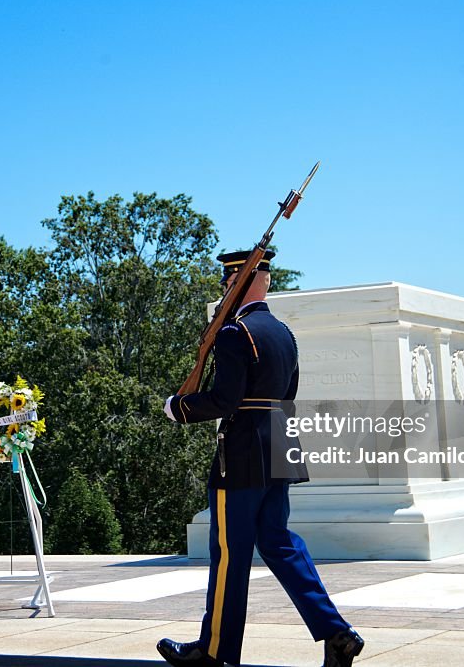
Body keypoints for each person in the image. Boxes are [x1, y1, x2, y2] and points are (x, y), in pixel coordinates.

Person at [157, 251, 364, 667]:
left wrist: (179, 408)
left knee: (230, 553)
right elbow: (287, 395)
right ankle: (337, 633)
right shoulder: (285, 334)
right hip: (281, 445)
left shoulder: (235, 333)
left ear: (238, 283)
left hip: (244, 454)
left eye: (227, 283)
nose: (224, 290)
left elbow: (225, 399)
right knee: (279, 543)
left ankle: (214, 650)